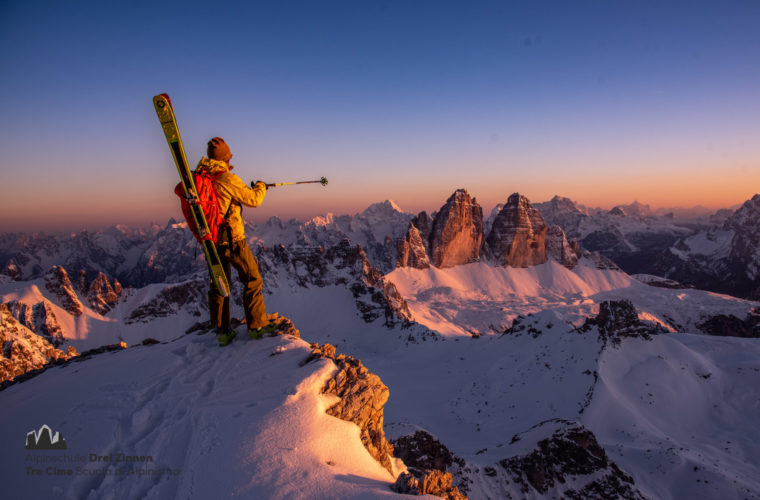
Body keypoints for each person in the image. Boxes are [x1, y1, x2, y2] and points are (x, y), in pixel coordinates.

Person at [200, 137, 277, 346]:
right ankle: (257, 326)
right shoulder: (227, 178)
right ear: (225, 158)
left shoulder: (202, 177)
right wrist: (261, 186)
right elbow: (253, 199)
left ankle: (222, 331)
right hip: (232, 240)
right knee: (252, 279)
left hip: (211, 240)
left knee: (219, 285)